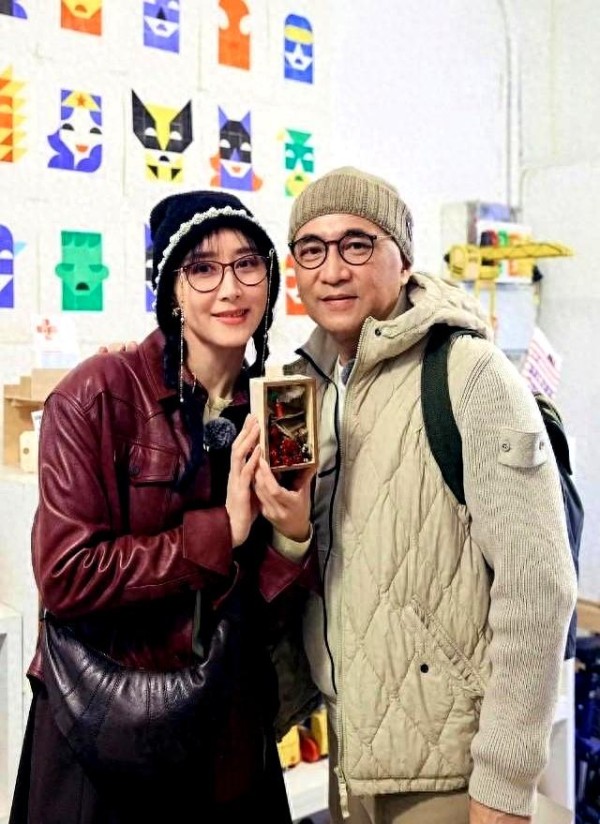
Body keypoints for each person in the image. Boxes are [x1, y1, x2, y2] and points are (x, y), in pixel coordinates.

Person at [9, 190, 317, 824]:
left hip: (226, 736)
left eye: (247, 263)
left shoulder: (274, 407)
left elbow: (265, 619)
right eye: (202, 268)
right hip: (107, 731)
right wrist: (221, 532)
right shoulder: (98, 395)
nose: (229, 288)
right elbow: (65, 575)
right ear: (171, 288)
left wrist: (291, 536)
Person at [281, 167, 577, 824]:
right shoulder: (311, 385)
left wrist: (503, 781)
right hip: (353, 753)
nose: (333, 270)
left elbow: (539, 585)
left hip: (451, 770)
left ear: (404, 259)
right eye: (312, 249)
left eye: (358, 244)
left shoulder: (468, 374)